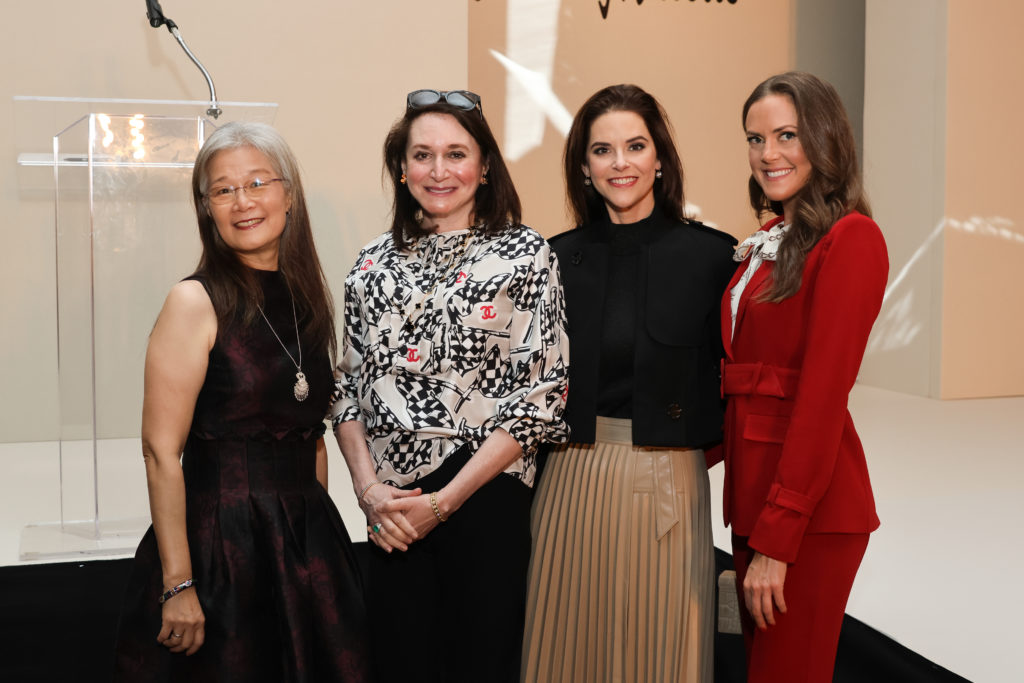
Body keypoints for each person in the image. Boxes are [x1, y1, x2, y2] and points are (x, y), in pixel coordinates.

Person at [114, 122, 372, 682]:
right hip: (219, 549)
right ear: (206, 209)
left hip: (305, 545)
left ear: (288, 194)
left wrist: (313, 554)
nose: (243, 201)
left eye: (257, 182)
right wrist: (179, 583)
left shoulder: (308, 298)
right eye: (223, 190)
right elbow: (161, 452)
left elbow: (312, 435)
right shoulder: (193, 301)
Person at [331, 89, 569, 683]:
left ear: (485, 166)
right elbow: (348, 389)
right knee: (399, 663)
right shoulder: (370, 264)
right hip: (392, 514)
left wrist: (443, 503)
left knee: (480, 664)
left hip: (484, 498)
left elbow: (543, 397)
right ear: (402, 167)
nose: (439, 171)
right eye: (423, 155)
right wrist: (368, 491)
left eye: (457, 154)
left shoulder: (525, 254)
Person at [521, 84, 737, 683]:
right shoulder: (551, 260)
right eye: (602, 150)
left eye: (635, 146)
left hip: (668, 477)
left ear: (660, 157)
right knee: (563, 646)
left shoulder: (714, 258)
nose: (621, 163)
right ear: (584, 168)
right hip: (568, 477)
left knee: (662, 649)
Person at [721, 71, 888, 682]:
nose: (768, 154)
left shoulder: (852, 238)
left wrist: (778, 538)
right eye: (755, 138)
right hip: (753, 502)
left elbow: (821, 397)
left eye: (786, 135)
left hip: (807, 518)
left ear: (824, 138)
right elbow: (741, 380)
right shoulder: (772, 238)